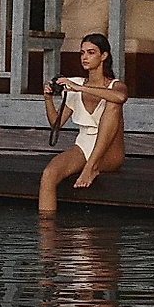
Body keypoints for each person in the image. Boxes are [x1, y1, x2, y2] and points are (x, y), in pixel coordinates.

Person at [38, 33, 128, 214]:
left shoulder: (115, 85)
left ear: (104, 56)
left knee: (113, 104)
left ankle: (91, 167)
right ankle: (47, 234)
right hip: (84, 145)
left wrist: (80, 88)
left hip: (110, 150)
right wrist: (48, 98)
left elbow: (120, 97)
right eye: (82, 53)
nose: (85, 57)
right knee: (49, 174)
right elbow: (56, 124)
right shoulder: (75, 85)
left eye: (91, 52)